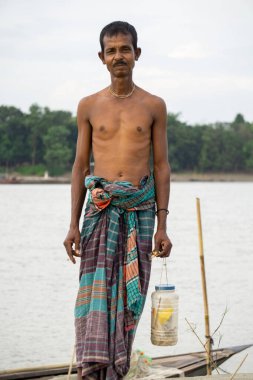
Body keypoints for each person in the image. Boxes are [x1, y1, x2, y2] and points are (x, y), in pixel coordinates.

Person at [63, 21, 172, 380]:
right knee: (93, 294)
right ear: (102, 57)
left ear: (137, 54)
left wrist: (163, 225)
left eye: (125, 49)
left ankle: (118, 369)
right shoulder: (89, 106)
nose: (118, 56)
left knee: (131, 294)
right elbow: (80, 166)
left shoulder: (153, 105)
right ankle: (93, 367)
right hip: (100, 211)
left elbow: (161, 166)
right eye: (111, 51)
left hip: (139, 212)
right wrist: (72, 224)